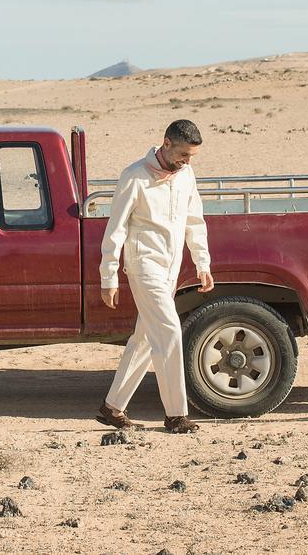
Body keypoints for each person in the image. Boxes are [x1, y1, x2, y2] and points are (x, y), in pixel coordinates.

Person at [96, 119, 214, 433]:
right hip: (143, 265)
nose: (187, 161)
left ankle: (112, 407)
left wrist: (202, 263)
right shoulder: (134, 176)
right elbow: (115, 230)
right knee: (170, 331)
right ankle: (176, 415)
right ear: (166, 143)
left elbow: (194, 221)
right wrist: (108, 277)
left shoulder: (186, 174)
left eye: (192, 156)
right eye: (184, 154)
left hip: (171, 268)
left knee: (146, 339)